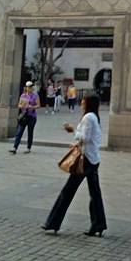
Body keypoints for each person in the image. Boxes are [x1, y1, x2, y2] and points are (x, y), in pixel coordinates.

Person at [42, 94, 107, 236]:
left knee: (68, 191)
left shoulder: (88, 117)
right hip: (93, 159)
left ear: (88, 103)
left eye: (84, 100)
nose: (81, 102)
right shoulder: (94, 117)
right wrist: (78, 143)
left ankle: (53, 222)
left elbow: (85, 137)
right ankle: (98, 224)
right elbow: (91, 139)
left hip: (86, 160)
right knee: (94, 194)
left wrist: (73, 130)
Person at [9, 81, 41, 154]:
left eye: (30, 87)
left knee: (30, 132)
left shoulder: (35, 95)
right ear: (26, 88)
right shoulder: (23, 95)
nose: (29, 89)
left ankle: (28, 148)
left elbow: (38, 105)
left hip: (32, 116)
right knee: (19, 132)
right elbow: (19, 105)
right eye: (28, 87)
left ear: (32, 88)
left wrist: (31, 107)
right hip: (24, 116)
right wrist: (22, 106)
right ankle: (15, 147)